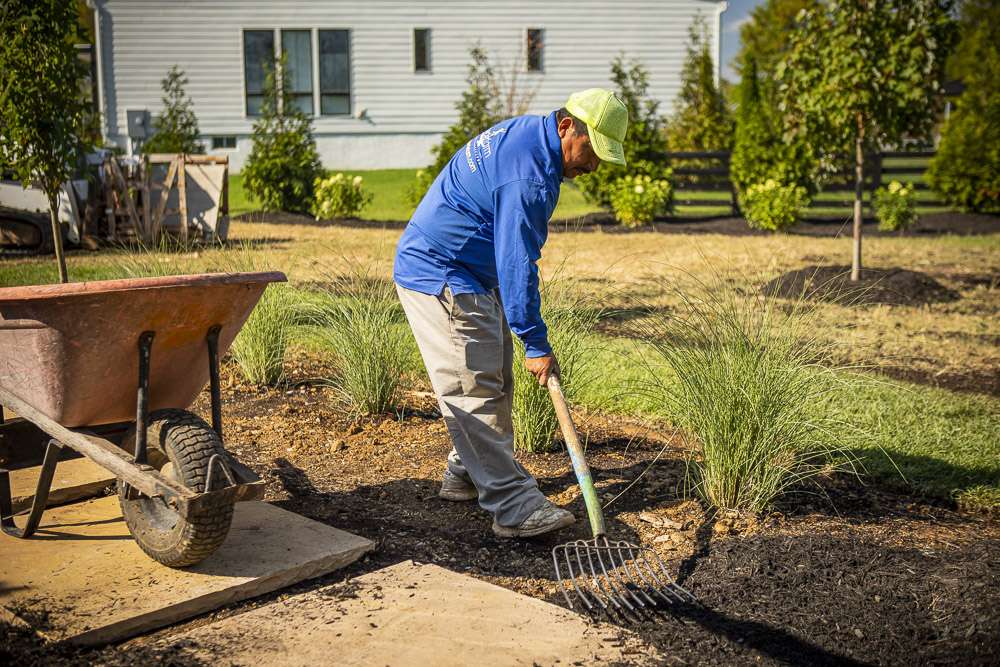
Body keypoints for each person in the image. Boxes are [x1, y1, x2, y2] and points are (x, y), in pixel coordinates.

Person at [393, 89, 628, 538]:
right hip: (442, 271)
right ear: (566, 126)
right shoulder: (531, 177)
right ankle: (513, 505)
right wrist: (536, 342)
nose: (593, 165)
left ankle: (465, 470)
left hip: (471, 270)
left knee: (492, 375)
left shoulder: (530, 135)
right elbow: (518, 260)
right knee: (473, 388)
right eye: (592, 150)